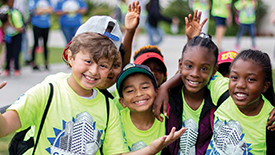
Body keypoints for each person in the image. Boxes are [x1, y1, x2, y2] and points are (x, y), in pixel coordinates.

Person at [0, 31, 185, 154]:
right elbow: (5, 127)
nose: (95, 71)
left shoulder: (107, 107)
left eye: (103, 65)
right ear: (71, 58)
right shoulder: (47, 91)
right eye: (88, 61)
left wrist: (151, 149)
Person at [205, 49, 275, 154]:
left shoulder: (270, 120)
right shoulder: (223, 91)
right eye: (234, 77)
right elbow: (197, 69)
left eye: (250, 79)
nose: (240, 85)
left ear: (265, 86)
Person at [116, 63, 173, 154]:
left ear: (156, 92)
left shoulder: (167, 123)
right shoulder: (116, 122)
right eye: (130, 91)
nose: (139, 94)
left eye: (145, 87)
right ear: (122, 102)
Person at [0, 0, 24, 76]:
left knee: (16, 52)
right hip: (8, 35)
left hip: (16, 34)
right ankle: (7, 68)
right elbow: (2, 26)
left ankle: (17, 68)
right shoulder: (4, 11)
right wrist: (6, 23)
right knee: (8, 52)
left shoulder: (16, 12)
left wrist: (12, 25)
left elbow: (20, 27)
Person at [28, 0, 53, 71]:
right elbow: (34, 12)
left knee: (45, 44)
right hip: (36, 24)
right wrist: (45, 10)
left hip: (46, 24)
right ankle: (33, 62)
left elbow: (51, 10)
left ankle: (46, 62)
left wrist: (41, 10)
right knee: (36, 43)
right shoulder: (33, 1)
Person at [13, 0, 31, 65]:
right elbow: (20, 12)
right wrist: (23, 24)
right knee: (21, 42)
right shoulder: (20, 1)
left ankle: (26, 58)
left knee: (24, 41)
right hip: (19, 23)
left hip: (21, 22)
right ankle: (23, 59)